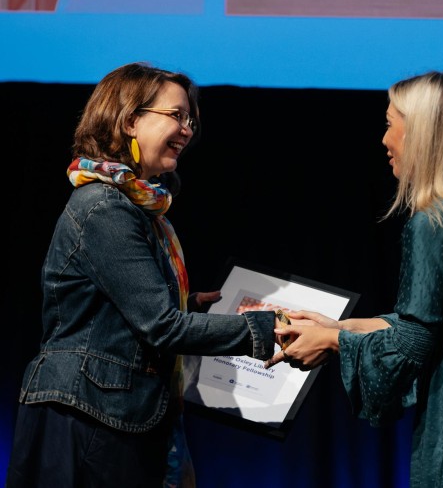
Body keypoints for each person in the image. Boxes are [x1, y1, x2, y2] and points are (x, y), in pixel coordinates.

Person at [266, 71, 443, 487]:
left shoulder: (433, 223)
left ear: (422, 133)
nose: (385, 140)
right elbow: (438, 322)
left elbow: (413, 344)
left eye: (390, 123)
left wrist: (331, 342)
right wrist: (338, 325)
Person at [5, 62, 286, 488]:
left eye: (190, 119)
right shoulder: (106, 207)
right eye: (176, 115)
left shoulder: (142, 208)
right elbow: (161, 327)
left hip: (112, 412)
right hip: (85, 418)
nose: (188, 129)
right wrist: (265, 329)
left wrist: (191, 306)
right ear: (131, 120)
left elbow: (119, 313)